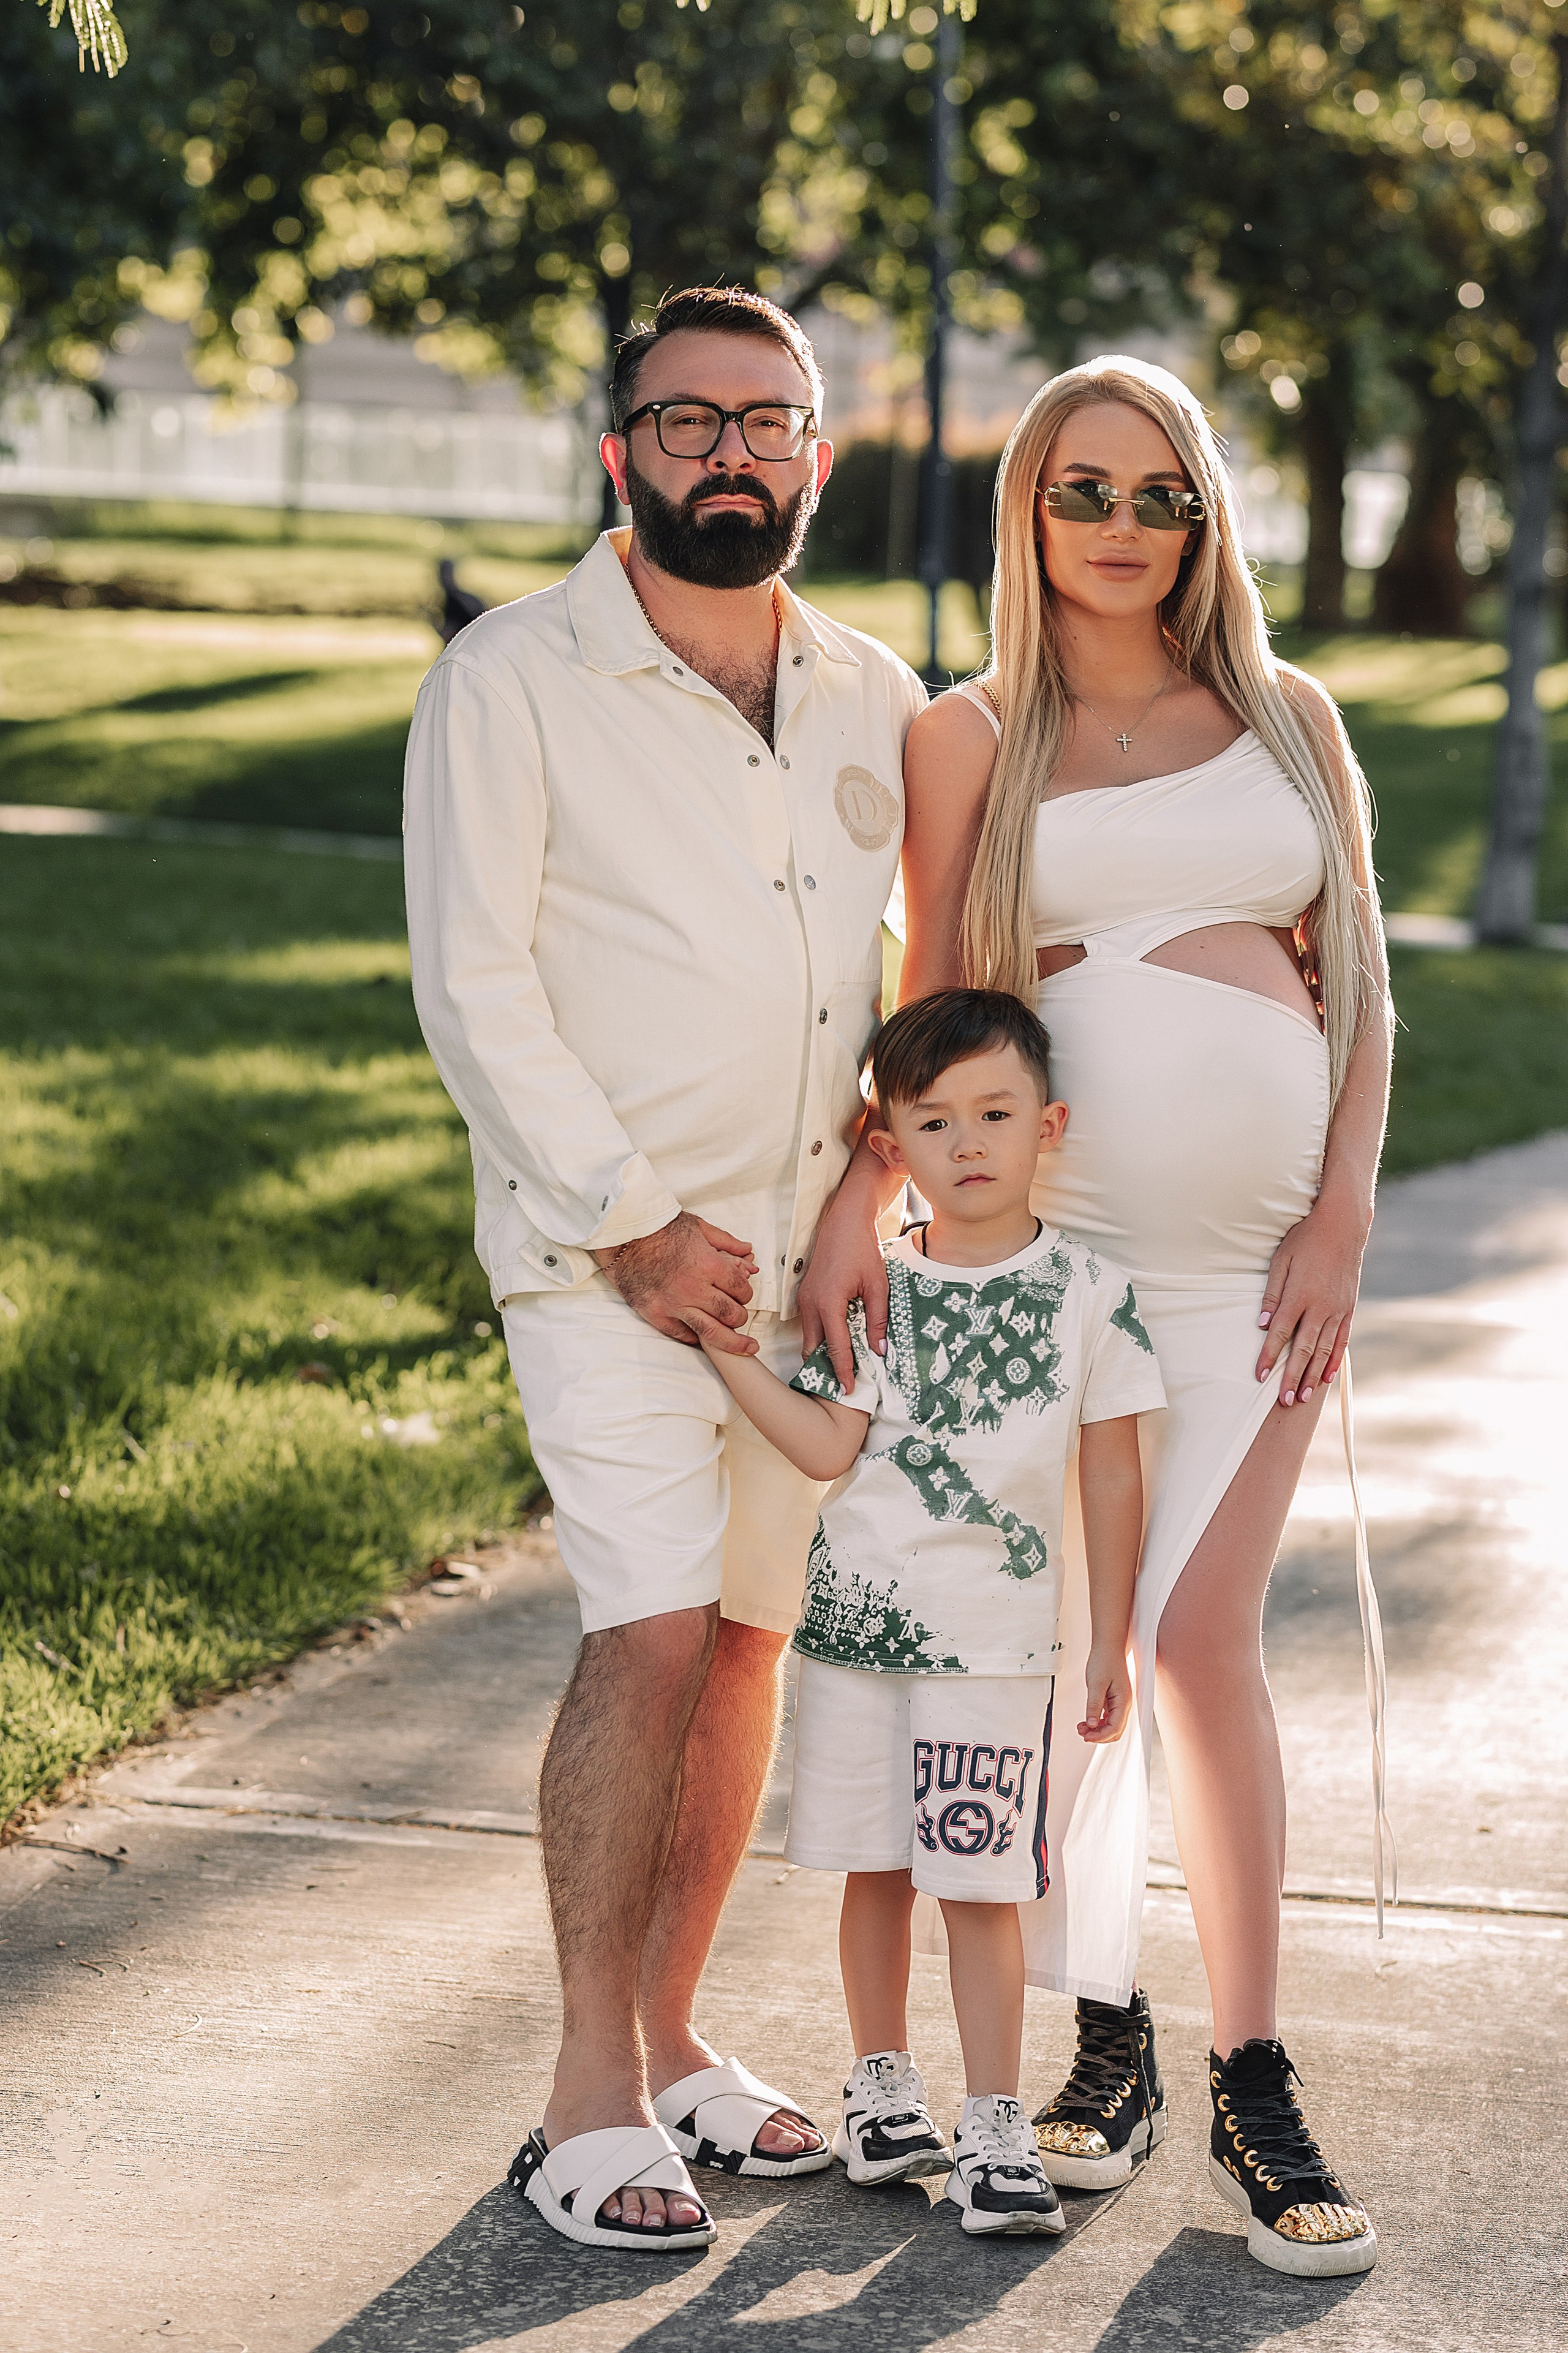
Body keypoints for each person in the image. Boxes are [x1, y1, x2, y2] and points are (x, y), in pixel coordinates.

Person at [799, 355, 1392, 2278]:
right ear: (1027, 517)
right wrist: (859, 1211)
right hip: (1065, 1278)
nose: (1123, 526)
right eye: (1084, 492)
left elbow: (1361, 995)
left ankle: (1253, 2071)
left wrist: (1342, 1217)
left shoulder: (1290, 714)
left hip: (1259, 1278)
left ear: (1203, 520)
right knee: (1068, 1660)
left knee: (1198, 1641)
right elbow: (942, 1014)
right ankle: (1111, 2043)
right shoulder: (975, 737)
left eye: (1160, 495)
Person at [403, 285, 927, 2253]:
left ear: (818, 454)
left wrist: (866, 1187)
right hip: (605, 1257)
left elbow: (898, 966)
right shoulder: (512, 676)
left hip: (801, 1274)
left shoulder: (871, 689)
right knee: (647, 1629)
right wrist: (629, 1216)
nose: (734, 452)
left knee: (746, 1645)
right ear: (620, 451)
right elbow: (475, 984)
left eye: (769, 423)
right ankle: (582, 2099)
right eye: (690, 420)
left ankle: (683, 2041)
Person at [702, 988, 1166, 2237]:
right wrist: (726, 1353)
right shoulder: (878, 1288)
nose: (967, 1142)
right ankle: (879, 2087)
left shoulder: (1086, 1293)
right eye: (934, 1119)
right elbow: (821, 1443)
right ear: (890, 1145)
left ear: (1046, 1123)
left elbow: (1111, 1473)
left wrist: (1109, 1632)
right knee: (875, 1870)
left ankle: (995, 2125)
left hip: (995, 1651)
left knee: (977, 1883)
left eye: (994, 1113)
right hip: (859, 1637)